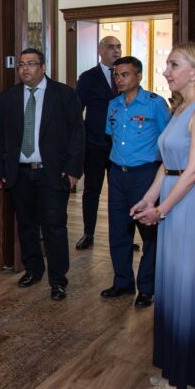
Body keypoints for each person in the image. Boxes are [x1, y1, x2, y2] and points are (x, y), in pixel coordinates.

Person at [132, 42, 195, 389]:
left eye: (174, 65)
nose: (166, 71)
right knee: (173, 288)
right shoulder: (181, 108)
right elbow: (169, 164)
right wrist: (149, 198)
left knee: (188, 291)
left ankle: (183, 383)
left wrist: (162, 210)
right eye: (168, 65)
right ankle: (177, 369)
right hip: (176, 198)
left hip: (193, 202)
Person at [0, 48, 84, 301]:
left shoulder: (64, 95)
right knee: (26, 225)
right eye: (21, 64)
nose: (25, 69)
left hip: (52, 173)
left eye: (31, 64)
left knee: (54, 227)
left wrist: (73, 170)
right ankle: (33, 270)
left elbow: (77, 135)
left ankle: (58, 280)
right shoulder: (9, 97)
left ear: (43, 67)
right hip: (19, 174)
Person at [100, 56, 171, 309]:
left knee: (149, 233)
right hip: (117, 174)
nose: (119, 80)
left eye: (125, 74)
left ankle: (147, 288)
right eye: (116, 75)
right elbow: (111, 136)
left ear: (138, 76)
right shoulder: (113, 105)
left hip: (146, 174)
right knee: (118, 230)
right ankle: (123, 282)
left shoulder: (155, 103)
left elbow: (168, 139)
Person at [75, 36, 122, 250]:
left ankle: (122, 235)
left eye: (118, 47)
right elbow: (77, 110)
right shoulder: (88, 77)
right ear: (100, 51)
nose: (116, 51)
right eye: (111, 47)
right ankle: (89, 233)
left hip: (120, 145)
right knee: (92, 191)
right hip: (94, 144)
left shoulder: (125, 75)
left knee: (119, 192)